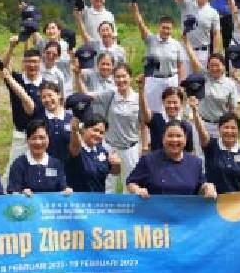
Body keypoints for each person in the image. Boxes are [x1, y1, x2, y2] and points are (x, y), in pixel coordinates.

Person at [126, 122, 217, 198]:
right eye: (170, 136)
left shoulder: (195, 162)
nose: (174, 140)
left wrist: (207, 187)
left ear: (185, 140)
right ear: (163, 139)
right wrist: (137, 190)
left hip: (186, 216)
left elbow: (199, 188)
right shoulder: (148, 160)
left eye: (178, 136)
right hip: (155, 215)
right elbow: (131, 183)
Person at [88, 63, 140, 192]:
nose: (121, 80)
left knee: (130, 185)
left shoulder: (138, 98)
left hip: (130, 148)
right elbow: (87, 96)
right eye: (117, 77)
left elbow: (144, 124)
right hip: (110, 147)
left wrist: (144, 147)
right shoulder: (110, 94)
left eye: (124, 76)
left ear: (130, 78)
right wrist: (77, 76)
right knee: (107, 184)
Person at [131, 1, 186, 114]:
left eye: (169, 28)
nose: (166, 31)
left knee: (172, 110)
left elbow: (180, 66)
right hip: (154, 80)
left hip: (171, 80)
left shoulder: (176, 44)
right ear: (159, 27)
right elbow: (141, 25)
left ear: (172, 29)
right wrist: (136, 12)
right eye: (164, 28)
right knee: (152, 111)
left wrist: (181, 85)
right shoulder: (151, 40)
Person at [182, 41, 240, 142]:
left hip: (221, 126)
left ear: (223, 66)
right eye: (211, 65)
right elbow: (194, 60)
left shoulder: (230, 84)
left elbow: (233, 109)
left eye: (217, 65)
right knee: (201, 155)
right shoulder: (203, 77)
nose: (214, 68)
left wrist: (234, 128)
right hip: (202, 124)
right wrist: (187, 43)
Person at [0, 41, 48, 165]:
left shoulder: (46, 85)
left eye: (35, 62)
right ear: (23, 63)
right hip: (21, 135)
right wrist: (10, 47)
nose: (32, 65)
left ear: (40, 63)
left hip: (40, 137)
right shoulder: (16, 79)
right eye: (28, 61)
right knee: (13, 169)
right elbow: (3, 68)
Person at [167, 0, 221, 69]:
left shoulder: (213, 12)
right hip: (184, 51)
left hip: (203, 54)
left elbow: (216, 35)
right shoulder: (186, 4)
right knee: (184, 82)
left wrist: (215, 55)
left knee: (201, 82)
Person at [194, 112, 240, 194]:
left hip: (235, 202)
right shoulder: (211, 146)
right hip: (212, 201)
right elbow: (201, 131)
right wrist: (195, 111)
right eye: (226, 127)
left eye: (233, 128)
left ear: (238, 130)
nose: (229, 131)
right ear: (219, 129)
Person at [7, 119, 73, 195]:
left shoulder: (56, 164)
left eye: (42, 137)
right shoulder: (18, 164)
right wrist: (21, 194)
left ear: (48, 139)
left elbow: (63, 188)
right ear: (27, 140)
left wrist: (67, 191)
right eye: (34, 138)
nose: (38, 142)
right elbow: (12, 194)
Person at [138, 81, 196, 153]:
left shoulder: (186, 126)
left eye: (175, 102)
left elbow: (189, 151)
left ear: (181, 103)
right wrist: (141, 90)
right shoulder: (156, 119)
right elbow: (144, 112)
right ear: (163, 102)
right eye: (168, 102)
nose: (172, 106)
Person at [65, 116, 117, 193]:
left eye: (101, 133)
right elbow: (75, 147)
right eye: (95, 130)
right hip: (78, 200)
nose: (98, 134)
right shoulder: (77, 149)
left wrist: (117, 164)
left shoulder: (102, 151)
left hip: (98, 200)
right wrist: (75, 131)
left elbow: (114, 171)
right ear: (84, 129)